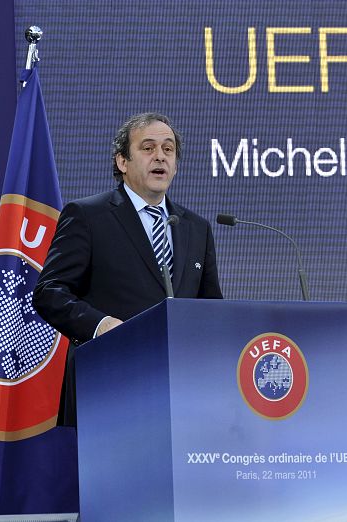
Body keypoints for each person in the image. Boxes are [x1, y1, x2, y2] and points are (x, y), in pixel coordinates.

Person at [34, 112, 223, 426]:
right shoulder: (87, 215)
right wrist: (101, 325)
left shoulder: (196, 227)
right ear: (122, 161)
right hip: (109, 385)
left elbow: (210, 309)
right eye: (148, 148)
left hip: (182, 393)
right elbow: (49, 292)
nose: (160, 156)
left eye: (168, 149)